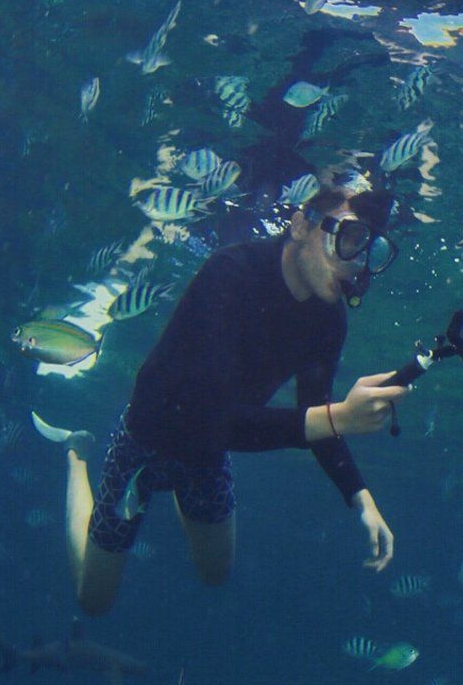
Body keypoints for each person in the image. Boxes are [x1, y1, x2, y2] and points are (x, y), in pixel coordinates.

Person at [34, 186, 407, 616]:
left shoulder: (328, 318)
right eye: (350, 237)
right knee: (93, 600)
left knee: (215, 573)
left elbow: (313, 415)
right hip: (148, 435)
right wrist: (340, 416)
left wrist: (361, 498)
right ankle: (77, 455)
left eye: (368, 249)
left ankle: (174, 490)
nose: (356, 261)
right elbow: (211, 418)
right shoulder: (230, 274)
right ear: (301, 224)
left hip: (209, 451)